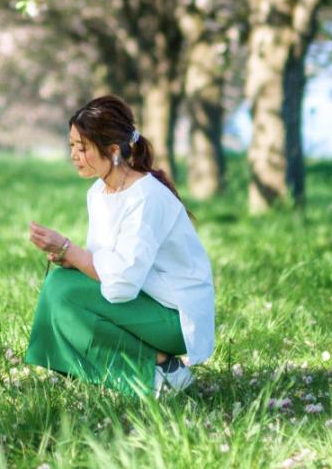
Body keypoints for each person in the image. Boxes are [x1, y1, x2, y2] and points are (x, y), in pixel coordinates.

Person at [25, 94, 215, 396]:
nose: (74, 154)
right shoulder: (98, 193)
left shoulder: (145, 197)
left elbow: (121, 283)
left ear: (113, 151)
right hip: (144, 296)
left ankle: (161, 370)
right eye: (72, 145)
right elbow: (106, 260)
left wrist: (70, 250)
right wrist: (70, 259)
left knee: (68, 294)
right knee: (59, 283)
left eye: (83, 147)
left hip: (175, 315)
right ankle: (134, 369)